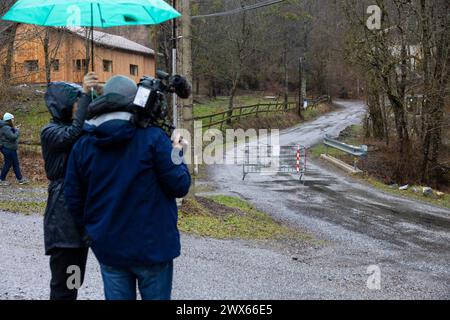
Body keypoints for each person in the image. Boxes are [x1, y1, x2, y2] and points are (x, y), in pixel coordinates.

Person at [64, 75, 191, 300]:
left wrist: (92, 233)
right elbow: (179, 185)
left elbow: (73, 199)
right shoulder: (154, 138)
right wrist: (177, 151)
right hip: (154, 248)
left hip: (109, 248)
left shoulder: (83, 144)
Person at [41, 73, 100, 300]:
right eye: (75, 102)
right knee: (63, 287)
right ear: (64, 106)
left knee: (73, 281)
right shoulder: (50, 132)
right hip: (63, 221)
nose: (79, 106)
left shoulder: (76, 130)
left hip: (76, 225)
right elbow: (73, 133)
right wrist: (85, 94)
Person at [0, 113, 28, 186]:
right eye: (12, 119)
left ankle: (20, 179)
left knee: (15, 164)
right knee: (8, 164)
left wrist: (14, 128)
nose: (13, 120)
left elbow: (9, 134)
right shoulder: (6, 127)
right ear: (9, 120)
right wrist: (17, 131)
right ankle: (1, 179)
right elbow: (13, 137)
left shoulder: (6, 127)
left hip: (10, 148)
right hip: (8, 149)